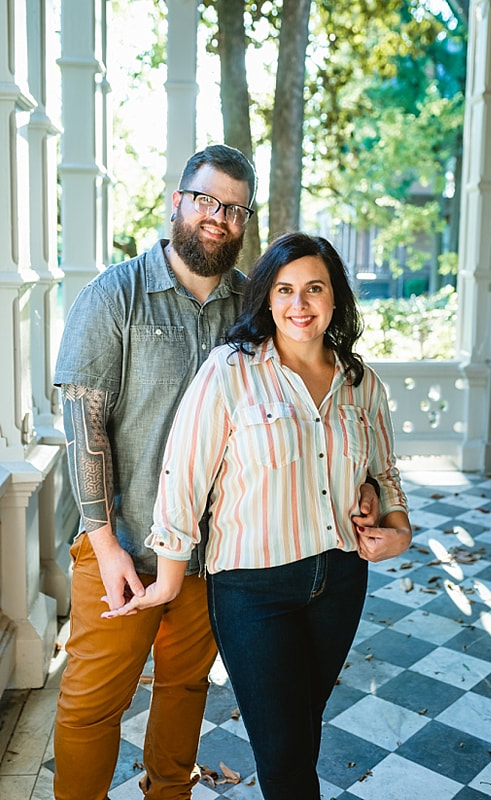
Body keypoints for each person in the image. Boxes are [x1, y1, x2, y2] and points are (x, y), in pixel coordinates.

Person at [53, 146, 379, 800]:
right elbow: (81, 422)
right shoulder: (114, 296)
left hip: (216, 556)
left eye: (233, 208)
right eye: (206, 200)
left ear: (244, 221)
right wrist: (107, 542)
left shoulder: (254, 308)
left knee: (183, 693)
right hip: (121, 545)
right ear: (178, 202)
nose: (218, 217)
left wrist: (362, 484)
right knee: (93, 704)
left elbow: (313, 405)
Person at [105, 232, 412, 800]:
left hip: (341, 579)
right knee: (285, 755)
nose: (300, 304)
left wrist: (398, 528)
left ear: (336, 298)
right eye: (285, 290)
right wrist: (169, 578)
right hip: (252, 589)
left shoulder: (360, 382)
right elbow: (184, 475)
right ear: (267, 301)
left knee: (298, 735)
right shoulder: (230, 371)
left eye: (314, 288)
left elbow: (383, 471)